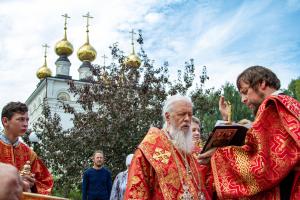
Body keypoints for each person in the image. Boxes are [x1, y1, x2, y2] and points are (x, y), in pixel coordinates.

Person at [199, 66, 300, 199]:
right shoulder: (290, 103)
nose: (243, 99)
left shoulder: (273, 106)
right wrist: (228, 120)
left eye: (245, 91)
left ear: (262, 83)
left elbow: (265, 164)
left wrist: (217, 155)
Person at [124, 95, 211, 199]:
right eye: (182, 114)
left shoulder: (190, 149)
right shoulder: (152, 149)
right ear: (168, 117)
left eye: (190, 115)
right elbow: (136, 194)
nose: (187, 119)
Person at [0, 102, 54, 195]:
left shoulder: (29, 153)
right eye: (20, 119)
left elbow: (46, 182)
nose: (25, 124)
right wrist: (15, 180)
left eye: (27, 120)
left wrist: (32, 184)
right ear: (5, 121)